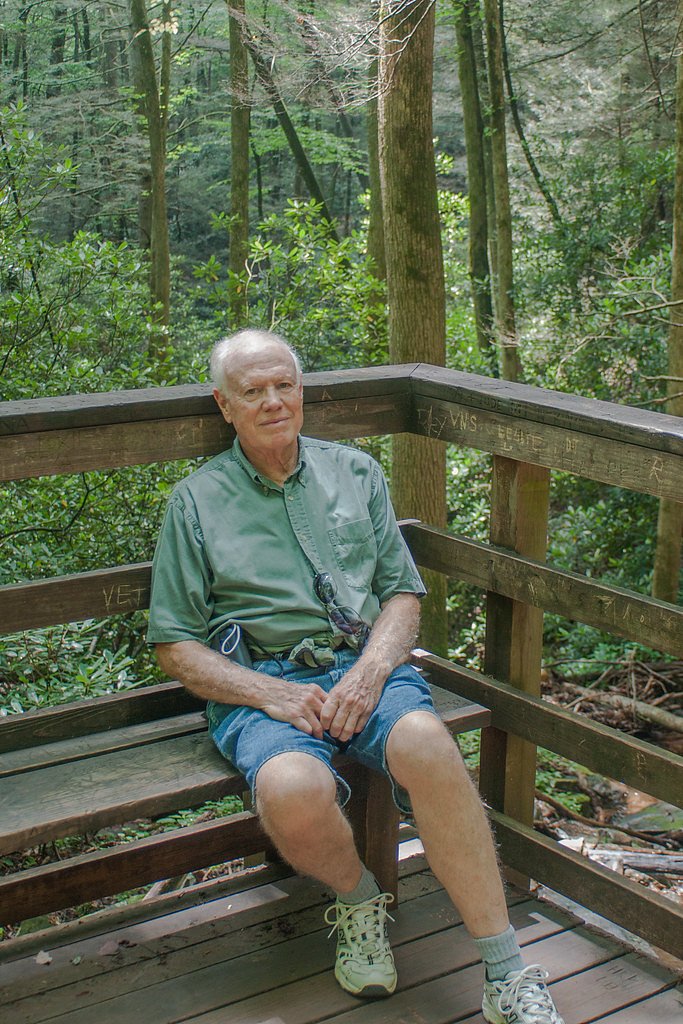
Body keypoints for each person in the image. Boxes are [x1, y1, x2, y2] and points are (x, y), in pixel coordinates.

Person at [148, 329, 565, 1024]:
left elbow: (402, 594)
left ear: (302, 389)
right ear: (225, 405)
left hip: (363, 664)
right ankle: (357, 900)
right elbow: (174, 645)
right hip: (261, 681)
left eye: (284, 384)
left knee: (428, 745)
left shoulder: (356, 472)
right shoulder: (196, 503)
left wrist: (371, 672)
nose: (273, 401)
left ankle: (506, 973)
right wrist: (273, 694)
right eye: (253, 391)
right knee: (290, 787)